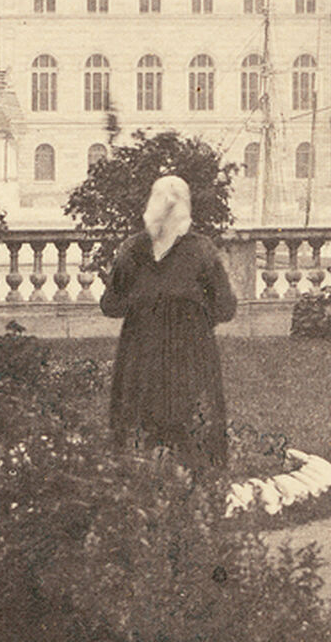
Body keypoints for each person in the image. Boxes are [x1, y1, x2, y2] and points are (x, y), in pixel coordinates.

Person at [99, 174, 238, 468]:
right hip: (189, 352)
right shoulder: (201, 250)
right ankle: (194, 474)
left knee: (141, 420)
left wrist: (145, 305)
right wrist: (192, 315)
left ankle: (140, 468)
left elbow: (111, 304)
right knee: (189, 416)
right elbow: (225, 306)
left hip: (143, 352)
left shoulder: (132, 250)